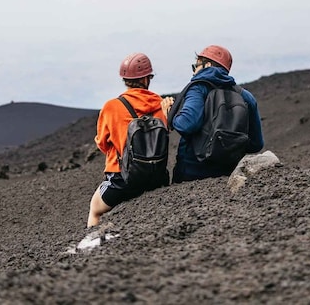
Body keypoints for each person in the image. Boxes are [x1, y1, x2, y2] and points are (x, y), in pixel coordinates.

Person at [87, 52, 168, 227]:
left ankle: (90, 247)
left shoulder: (111, 106)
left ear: (124, 78)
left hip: (122, 179)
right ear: (147, 78)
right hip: (157, 177)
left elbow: (102, 143)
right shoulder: (160, 104)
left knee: (95, 209)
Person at [162, 45, 264, 183]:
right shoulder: (246, 97)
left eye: (195, 66)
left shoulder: (198, 88)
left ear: (207, 65)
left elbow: (187, 124)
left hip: (191, 175)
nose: (193, 72)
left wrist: (169, 113)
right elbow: (257, 144)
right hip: (227, 174)